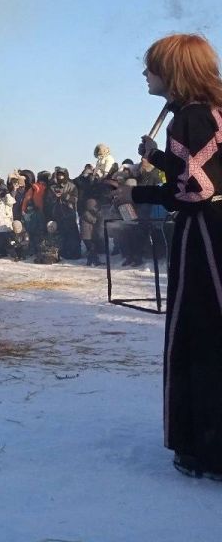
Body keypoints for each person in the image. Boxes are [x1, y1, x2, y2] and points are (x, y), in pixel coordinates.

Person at [114, 33, 222, 480]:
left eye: (151, 66)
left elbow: (197, 189)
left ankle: (206, 450)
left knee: (200, 335)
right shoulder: (207, 114)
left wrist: (135, 190)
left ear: (173, 71)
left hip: (206, 239)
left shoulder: (193, 117)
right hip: (212, 231)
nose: (145, 73)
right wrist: (158, 156)